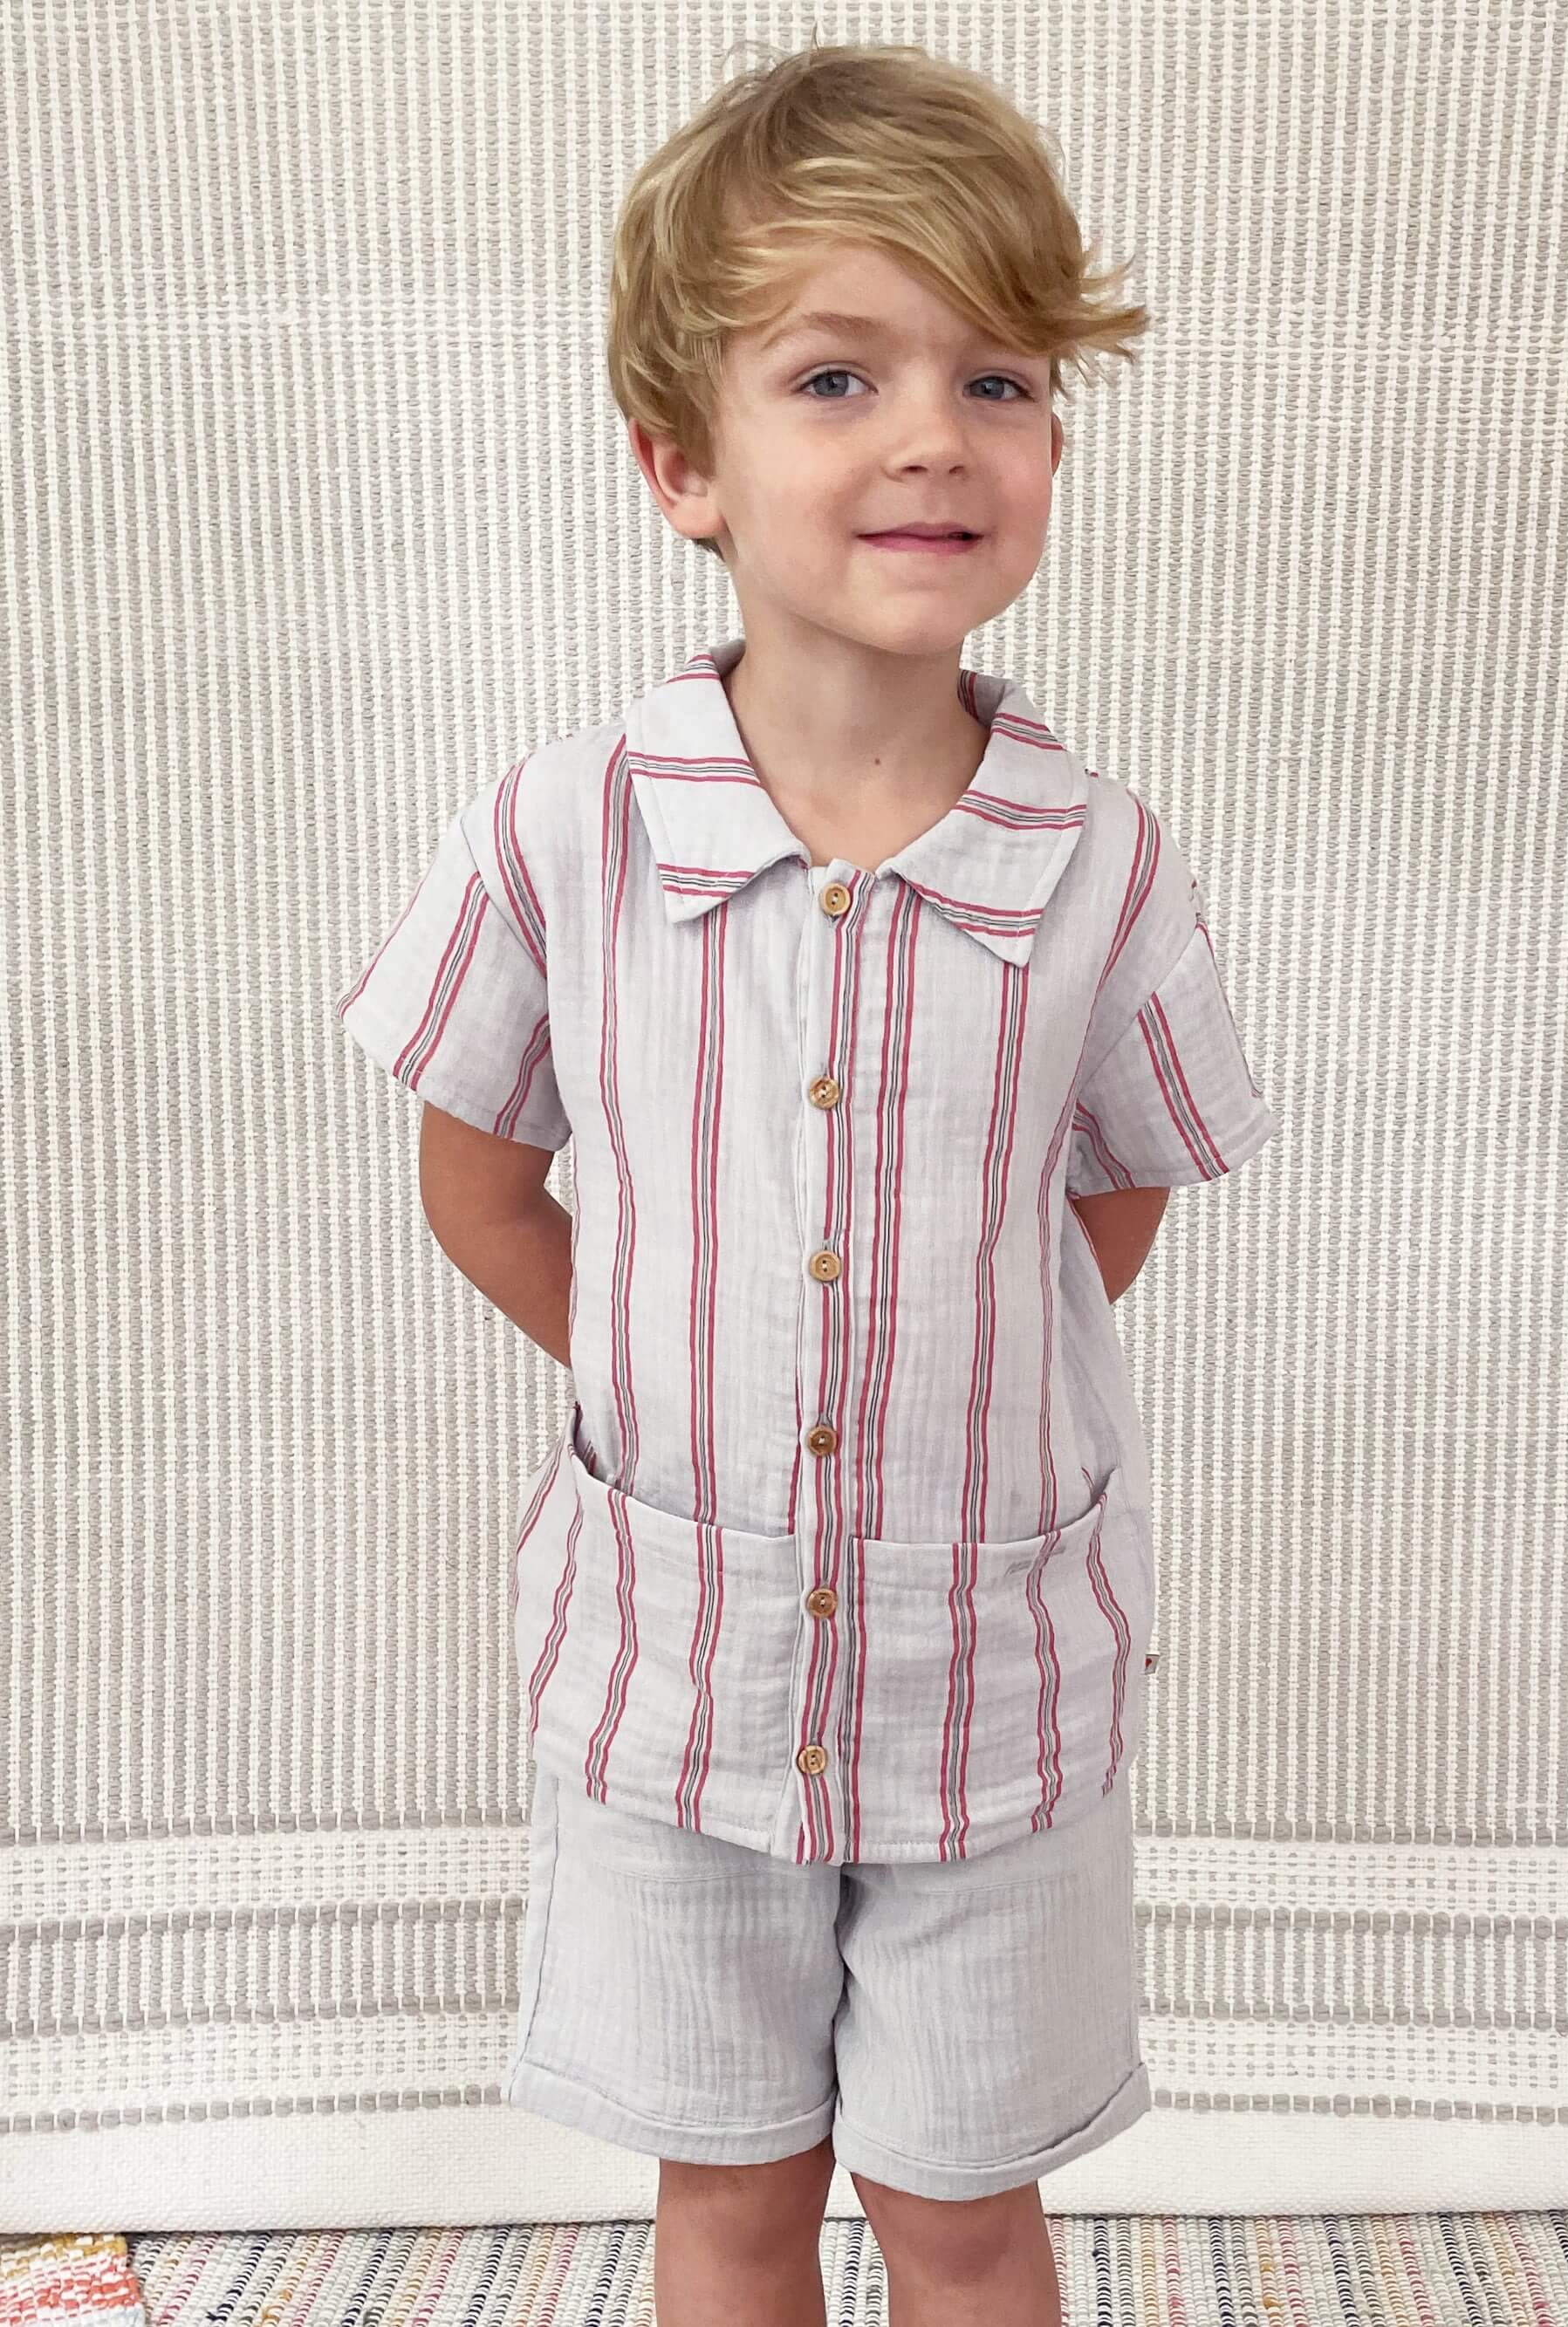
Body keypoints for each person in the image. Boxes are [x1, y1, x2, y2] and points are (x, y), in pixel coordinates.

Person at [334, 35, 1280, 2327]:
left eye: (998, 376)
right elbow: (482, 1180)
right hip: (681, 1676)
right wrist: (669, 1354)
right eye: (839, 376)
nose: (935, 434)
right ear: (681, 460)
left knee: (961, 2211)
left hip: (996, 1693)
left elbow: (1111, 1197)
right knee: (738, 2197)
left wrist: (957, 1370)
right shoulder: (565, 833)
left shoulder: (1100, 864)